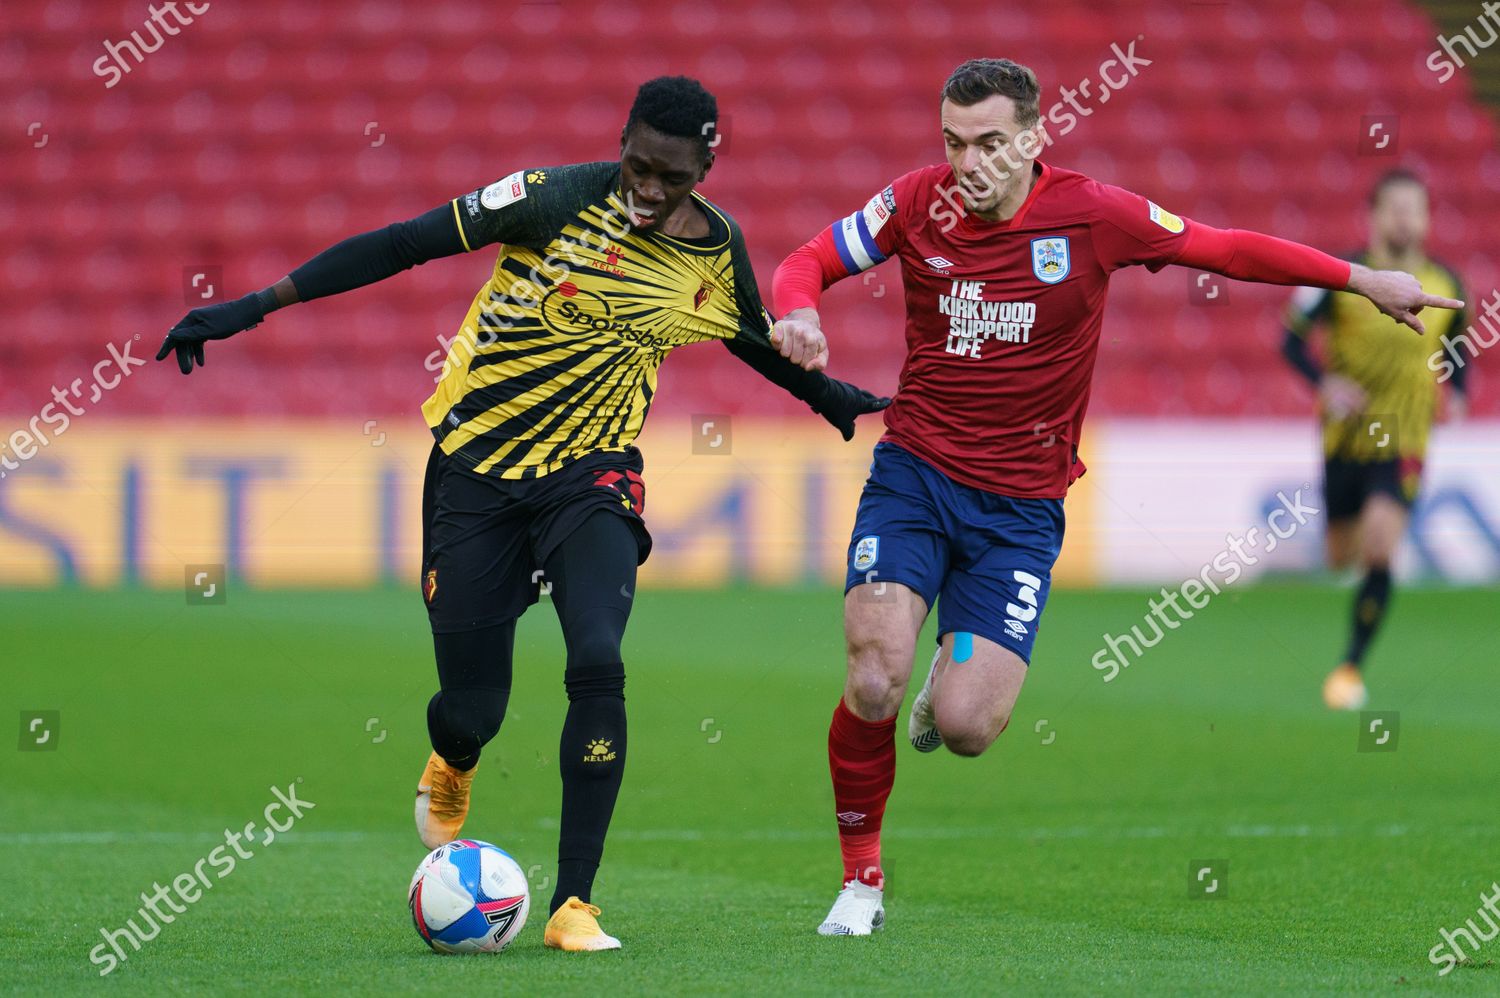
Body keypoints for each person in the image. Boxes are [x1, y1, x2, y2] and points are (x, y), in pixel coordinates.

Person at [156, 75, 887, 951]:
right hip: (475, 475)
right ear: (621, 142)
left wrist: (835, 399)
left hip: (592, 477)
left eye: (673, 176)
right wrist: (252, 307)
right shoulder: (546, 199)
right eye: (638, 165)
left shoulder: (716, 248)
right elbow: (402, 244)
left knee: (598, 656)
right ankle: (455, 757)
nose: (649, 189)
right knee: (473, 706)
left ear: (706, 166)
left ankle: (573, 904)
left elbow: (746, 332)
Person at [769, 58, 1463, 936]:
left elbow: (1226, 247)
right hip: (915, 471)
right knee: (872, 674)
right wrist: (802, 311)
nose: (967, 163)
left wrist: (1360, 279)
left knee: (970, 728)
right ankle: (861, 881)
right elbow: (811, 258)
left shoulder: (1095, 215)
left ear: (1030, 138)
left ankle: (952, 671)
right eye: (953, 143)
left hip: (1020, 509)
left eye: (988, 144)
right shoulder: (918, 202)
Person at [1281, 169, 1468, 710]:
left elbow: (1460, 345)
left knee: (1382, 547)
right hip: (1345, 440)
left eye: (1416, 208)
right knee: (1341, 557)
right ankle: (1351, 646)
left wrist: (1456, 387)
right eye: (1395, 207)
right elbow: (1289, 342)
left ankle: (1349, 668)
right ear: (1375, 216)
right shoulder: (1342, 278)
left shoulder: (1448, 284)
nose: (1406, 218)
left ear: (1428, 218)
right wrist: (1325, 382)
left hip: (1406, 439)